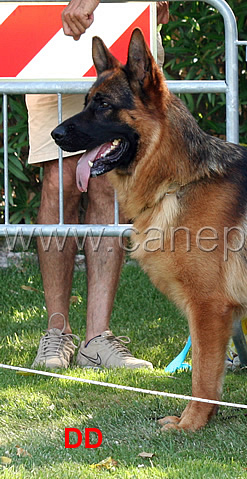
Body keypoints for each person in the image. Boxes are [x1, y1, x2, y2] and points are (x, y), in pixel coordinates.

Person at [29, 0, 168, 369]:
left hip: (127, 22)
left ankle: (96, 340)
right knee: (59, 182)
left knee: (108, 183)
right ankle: (56, 332)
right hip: (47, 32)